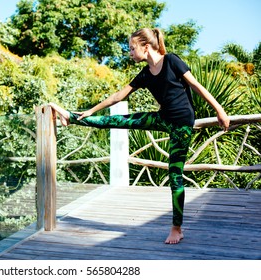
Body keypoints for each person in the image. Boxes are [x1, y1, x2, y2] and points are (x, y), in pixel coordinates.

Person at [49, 28, 230, 244]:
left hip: (182, 124)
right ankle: (72, 117)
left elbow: (196, 86)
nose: (130, 53)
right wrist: (91, 110)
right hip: (162, 118)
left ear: (145, 46)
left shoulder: (172, 61)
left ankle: (176, 228)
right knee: (119, 120)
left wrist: (220, 111)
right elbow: (118, 96)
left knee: (174, 175)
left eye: (132, 48)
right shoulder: (145, 74)